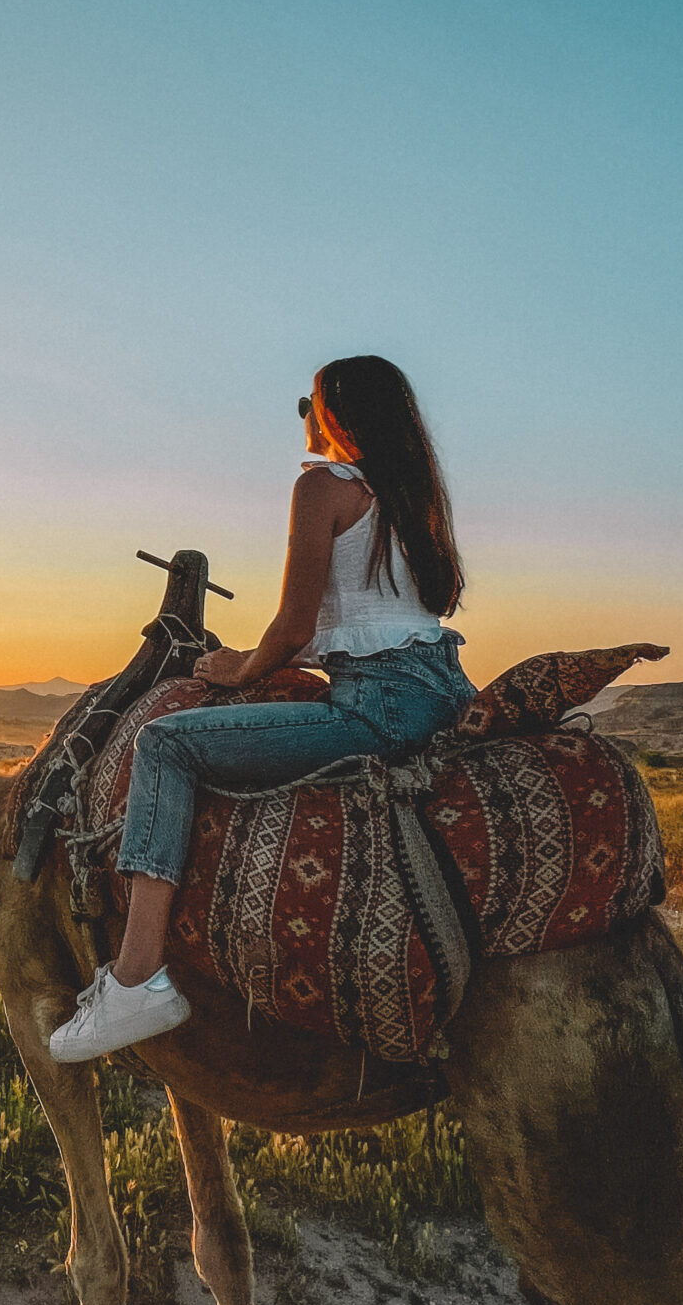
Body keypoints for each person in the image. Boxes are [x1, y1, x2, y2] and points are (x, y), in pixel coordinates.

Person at [49, 354, 475, 1063]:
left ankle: (136, 981)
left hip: (377, 703)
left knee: (164, 744)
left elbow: (295, 628)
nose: (305, 419)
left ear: (336, 412)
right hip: (444, 689)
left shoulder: (323, 486)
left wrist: (239, 666)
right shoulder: (412, 499)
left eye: (309, 403)